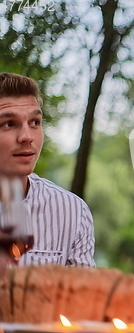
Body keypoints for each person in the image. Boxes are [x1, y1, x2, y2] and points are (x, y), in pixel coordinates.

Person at [0, 73, 95, 267]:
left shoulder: (72, 211)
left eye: (34, 122)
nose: (27, 137)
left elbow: (85, 296)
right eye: (9, 124)